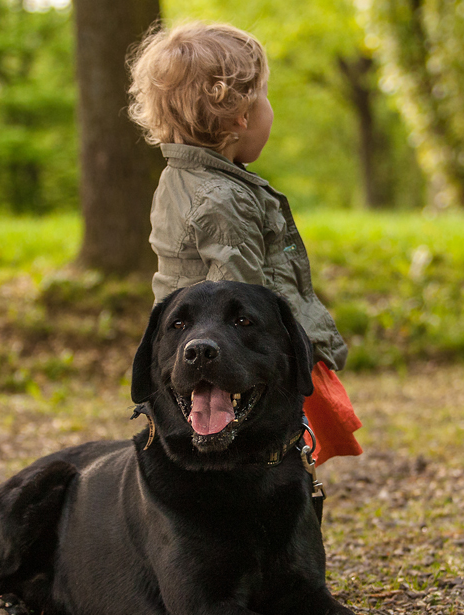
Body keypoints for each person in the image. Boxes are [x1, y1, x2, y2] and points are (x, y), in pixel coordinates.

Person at [127, 21, 360, 465]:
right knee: (274, 451)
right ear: (240, 116)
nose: (270, 109)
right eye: (264, 97)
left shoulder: (188, 181)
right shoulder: (220, 199)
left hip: (204, 354)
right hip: (233, 363)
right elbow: (236, 297)